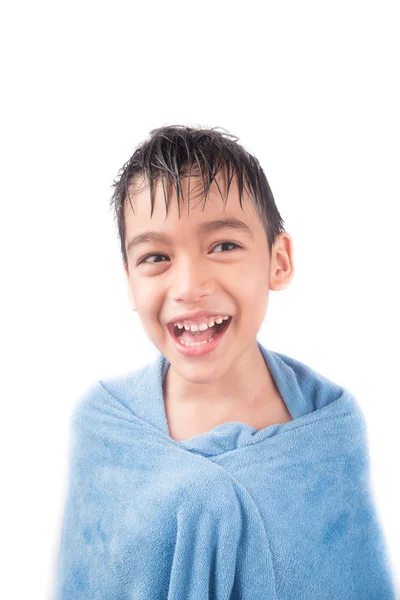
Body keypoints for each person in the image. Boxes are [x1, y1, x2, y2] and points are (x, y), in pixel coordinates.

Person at [55, 125, 397, 599]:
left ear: (279, 260)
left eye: (223, 246)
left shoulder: (328, 428)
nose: (190, 286)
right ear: (130, 283)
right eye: (156, 256)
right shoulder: (105, 428)